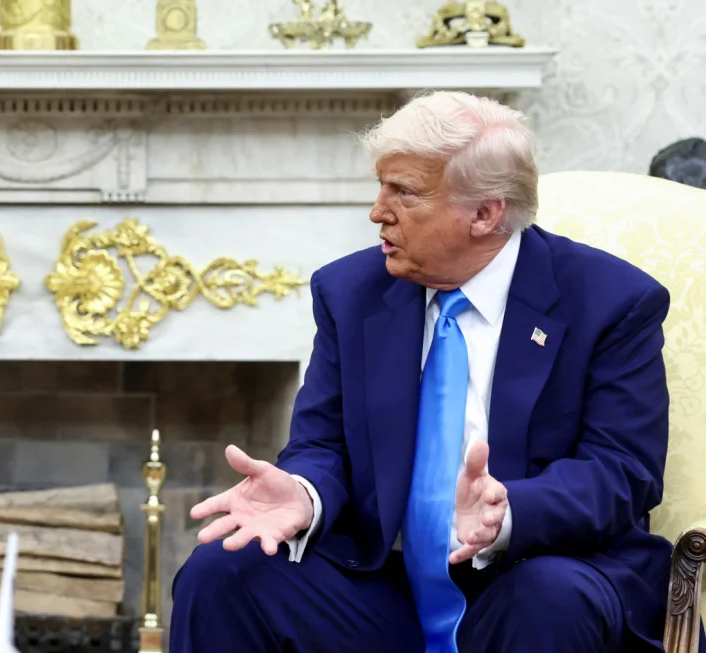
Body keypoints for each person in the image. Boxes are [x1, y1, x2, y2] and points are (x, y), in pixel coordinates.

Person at [171, 91, 672, 652]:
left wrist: (509, 511)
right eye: (380, 186)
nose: (377, 211)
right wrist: (305, 493)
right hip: (388, 586)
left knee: (546, 597)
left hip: (540, 567)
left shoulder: (610, 301)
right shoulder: (351, 292)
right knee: (224, 572)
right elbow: (324, 443)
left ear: (485, 213)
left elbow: (622, 471)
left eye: (403, 192)